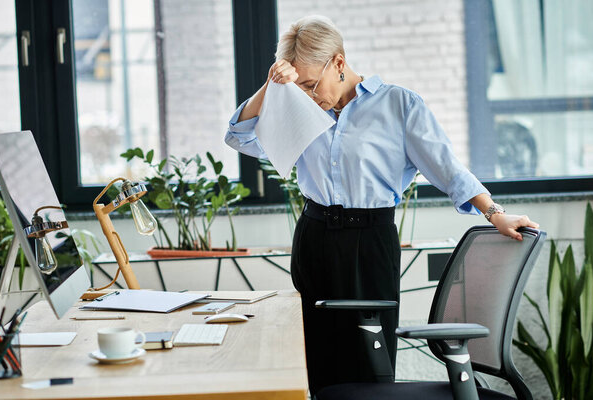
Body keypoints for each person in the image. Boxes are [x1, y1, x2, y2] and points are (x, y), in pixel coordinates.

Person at [224, 15, 539, 396]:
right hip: (314, 237)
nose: (308, 95)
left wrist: (494, 213)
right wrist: (273, 85)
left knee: (368, 361)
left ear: (338, 62)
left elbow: (448, 169)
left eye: (311, 84)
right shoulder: (299, 106)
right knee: (316, 361)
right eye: (300, 86)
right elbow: (239, 136)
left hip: (370, 241)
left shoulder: (399, 105)